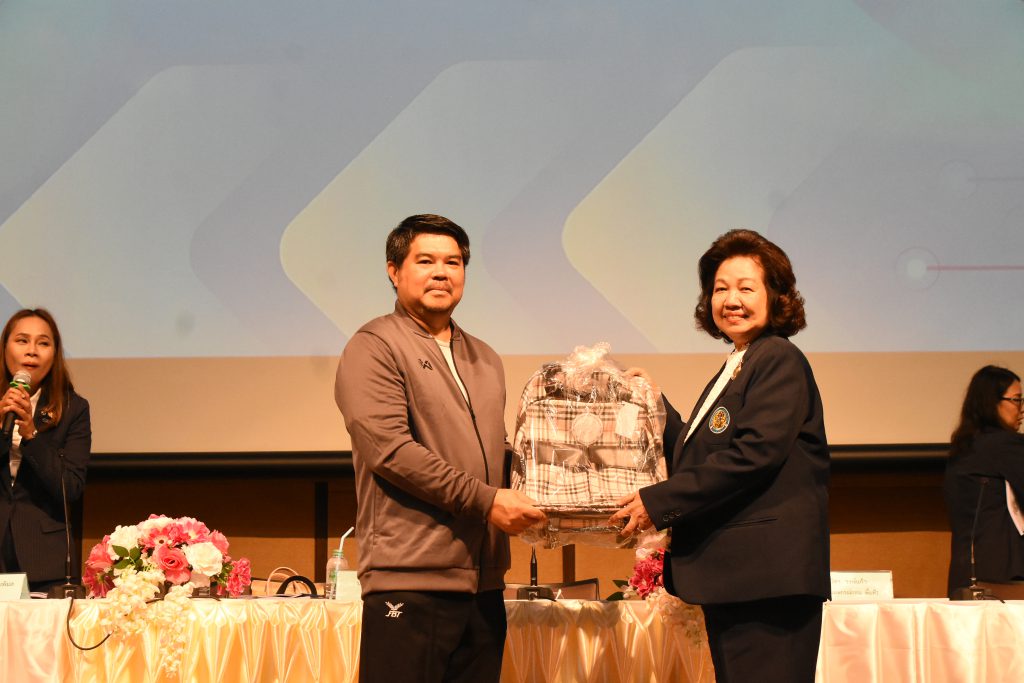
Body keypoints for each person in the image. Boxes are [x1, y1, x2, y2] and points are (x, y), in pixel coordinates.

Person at [611, 229, 830, 683]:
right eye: (720, 289)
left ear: (776, 296)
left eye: (746, 288)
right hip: (742, 580)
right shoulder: (741, 361)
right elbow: (702, 452)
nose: (731, 300)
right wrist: (655, 404)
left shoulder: (778, 358)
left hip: (766, 581)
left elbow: (753, 455)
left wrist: (657, 501)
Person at [334, 214, 546, 683]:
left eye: (453, 262)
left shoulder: (484, 356)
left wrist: (560, 482)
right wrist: (488, 500)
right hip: (410, 575)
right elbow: (391, 452)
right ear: (394, 271)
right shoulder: (374, 346)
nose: (441, 273)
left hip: (484, 582)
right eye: (425, 261)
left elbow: (494, 453)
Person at [0, 308, 92, 592]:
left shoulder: (73, 409)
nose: (32, 351)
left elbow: (71, 488)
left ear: (54, 354)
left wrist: (31, 436)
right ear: (4, 348)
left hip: (44, 559)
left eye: (43, 343)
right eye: (22, 340)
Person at [945, 365, 1024, 598]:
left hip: (968, 573)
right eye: (1017, 400)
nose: (1021, 409)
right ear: (992, 402)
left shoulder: (964, 446)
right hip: (1003, 579)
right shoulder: (1004, 445)